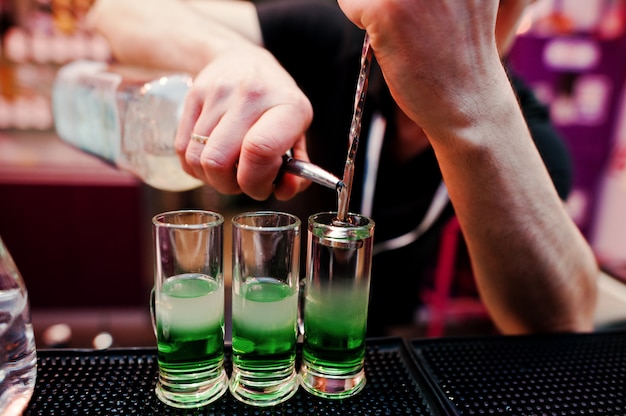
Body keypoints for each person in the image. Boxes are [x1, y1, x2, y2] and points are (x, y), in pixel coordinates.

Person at [86, 0, 599, 336]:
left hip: (389, 339)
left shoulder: (519, 131)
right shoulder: (333, 41)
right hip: (275, 322)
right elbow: (116, 12)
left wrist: (471, 111)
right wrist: (234, 56)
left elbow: (560, 320)